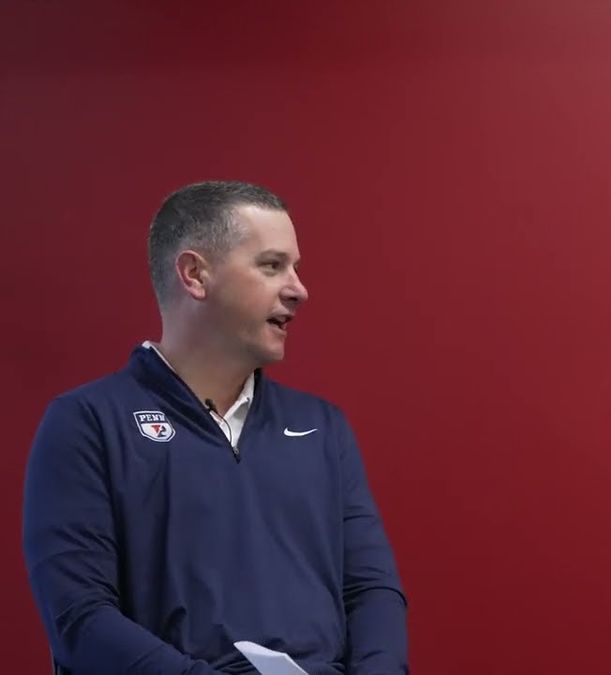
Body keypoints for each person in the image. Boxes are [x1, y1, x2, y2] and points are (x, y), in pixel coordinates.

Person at [23, 181, 408, 674]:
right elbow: (80, 618)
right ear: (195, 275)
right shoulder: (87, 423)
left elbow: (370, 590)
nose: (298, 289)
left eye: (295, 267)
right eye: (271, 265)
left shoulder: (323, 427)